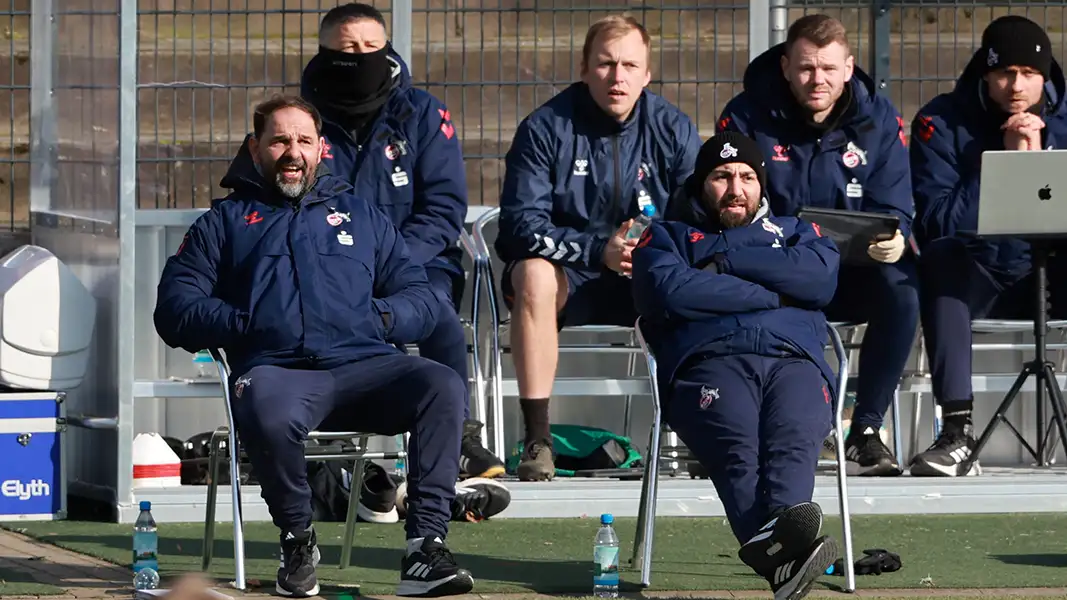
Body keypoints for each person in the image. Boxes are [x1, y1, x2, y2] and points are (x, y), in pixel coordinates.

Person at [155, 96, 474, 599]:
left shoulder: (361, 215)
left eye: (303, 141)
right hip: (278, 373)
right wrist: (247, 322)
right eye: (279, 140)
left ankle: (424, 548)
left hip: (367, 366)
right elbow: (174, 309)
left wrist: (381, 316)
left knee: (442, 384)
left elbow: (422, 297)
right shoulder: (223, 223)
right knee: (264, 403)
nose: (292, 152)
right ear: (254, 147)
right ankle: (297, 540)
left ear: (321, 148)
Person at [220, 2, 507, 481]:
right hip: (322, 268)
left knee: (437, 315)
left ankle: (459, 439)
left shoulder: (424, 115)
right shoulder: (300, 126)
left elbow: (442, 210)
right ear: (326, 51)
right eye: (349, 48)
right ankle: (292, 445)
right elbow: (277, 204)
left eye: (372, 47)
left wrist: (382, 265)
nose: (362, 56)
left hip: (413, 264)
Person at [631, 132, 840, 600]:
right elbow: (670, 291)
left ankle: (779, 555)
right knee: (739, 449)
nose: (735, 188)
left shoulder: (798, 231)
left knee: (794, 437)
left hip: (795, 360)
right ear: (700, 184)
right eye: (722, 176)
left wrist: (724, 264)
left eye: (747, 177)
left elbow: (820, 280)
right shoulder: (667, 235)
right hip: (709, 362)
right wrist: (773, 292)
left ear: (762, 186)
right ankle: (787, 556)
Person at [493, 15, 701, 481]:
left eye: (630, 65)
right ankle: (538, 439)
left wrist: (651, 251)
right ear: (584, 68)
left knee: (709, 275)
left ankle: (703, 432)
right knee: (532, 274)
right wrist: (595, 251)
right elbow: (518, 228)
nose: (618, 76)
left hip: (648, 276)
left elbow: (697, 220)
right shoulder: (545, 128)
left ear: (647, 74)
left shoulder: (673, 128)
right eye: (606, 64)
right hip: (574, 277)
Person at [715, 14, 918, 477]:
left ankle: (866, 431)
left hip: (856, 269)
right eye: (806, 68)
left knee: (903, 290)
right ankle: (771, 431)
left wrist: (897, 235)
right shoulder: (746, 116)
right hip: (780, 266)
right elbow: (732, 200)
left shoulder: (880, 118)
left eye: (828, 68)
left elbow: (896, 202)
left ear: (848, 68)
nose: (817, 79)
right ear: (785, 66)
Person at [909, 16, 1067, 477]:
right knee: (940, 259)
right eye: (1005, 73)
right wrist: (998, 163)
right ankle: (956, 432)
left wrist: (1040, 164)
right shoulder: (941, 122)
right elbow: (937, 221)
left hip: (1051, 271)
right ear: (986, 73)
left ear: (1046, 75)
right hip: (980, 274)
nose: (1017, 85)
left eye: (1030, 74)